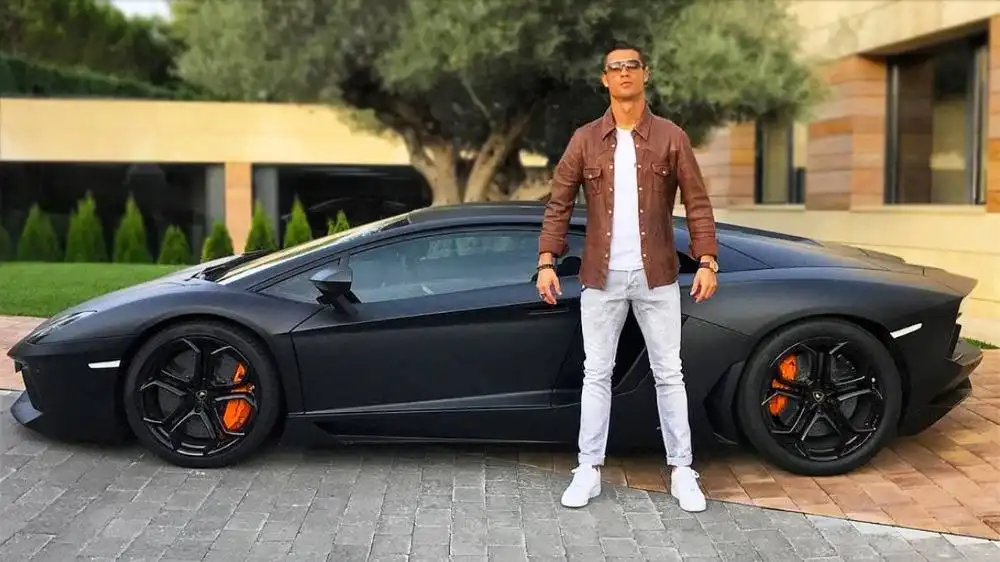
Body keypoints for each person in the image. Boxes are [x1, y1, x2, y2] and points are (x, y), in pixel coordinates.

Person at [536, 41, 720, 512]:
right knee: (595, 373)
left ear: (644, 74)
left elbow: (697, 203)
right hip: (602, 277)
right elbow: (558, 205)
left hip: (657, 275)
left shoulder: (671, 137)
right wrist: (546, 260)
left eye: (631, 66)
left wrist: (707, 259)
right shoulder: (584, 140)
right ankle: (588, 469)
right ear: (604, 79)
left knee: (669, 373)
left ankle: (682, 470)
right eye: (614, 68)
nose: (623, 74)